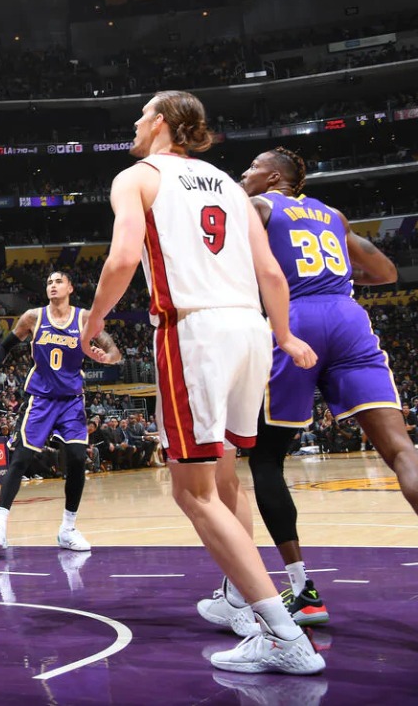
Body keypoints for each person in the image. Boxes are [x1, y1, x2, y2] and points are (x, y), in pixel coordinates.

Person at [79, 90, 323, 675]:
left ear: (161, 122)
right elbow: (269, 270)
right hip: (250, 330)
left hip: (194, 331)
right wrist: (285, 336)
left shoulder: (136, 176)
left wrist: (94, 320)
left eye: (141, 116)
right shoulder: (229, 185)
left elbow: (121, 261)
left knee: (191, 492)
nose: (135, 125)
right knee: (224, 478)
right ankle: (242, 603)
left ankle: (284, 635)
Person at [220, 147, 418, 627]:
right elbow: (387, 274)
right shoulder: (333, 214)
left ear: (271, 178)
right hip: (349, 316)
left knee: (267, 458)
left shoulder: (261, 205)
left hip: (297, 318)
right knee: (401, 450)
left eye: (250, 169)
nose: (243, 175)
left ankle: (302, 590)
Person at [0, 271, 123, 555]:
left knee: (78, 458)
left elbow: (113, 350)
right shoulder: (33, 317)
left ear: (70, 287)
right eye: (48, 282)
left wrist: (108, 357)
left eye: (58, 281)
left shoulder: (84, 318)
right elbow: (5, 345)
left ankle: (68, 529)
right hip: (40, 399)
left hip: (71, 400)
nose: (53, 285)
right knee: (20, 458)